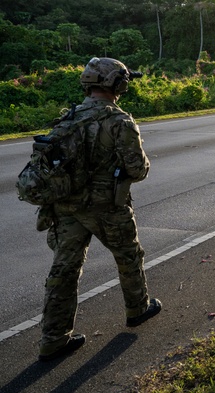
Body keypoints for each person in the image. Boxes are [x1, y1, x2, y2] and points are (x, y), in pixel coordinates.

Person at [38, 57, 160, 362]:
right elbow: (138, 168)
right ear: (115, 85)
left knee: (64, 270)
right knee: (128, 256)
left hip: (67, 208)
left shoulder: (68, 118)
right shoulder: (119, 121)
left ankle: (53, 339)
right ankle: (138, 309)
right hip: (107, 207)